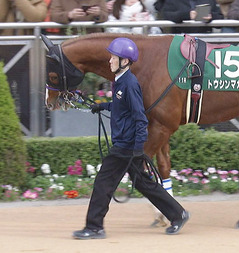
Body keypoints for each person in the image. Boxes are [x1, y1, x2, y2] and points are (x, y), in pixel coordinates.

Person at [72, 38, 190, 239]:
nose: (110, 61)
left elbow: (139, 116)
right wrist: (102, 106)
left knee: (103, 183)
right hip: (126, 145)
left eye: (113, 57)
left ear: (124, 61)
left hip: (125, 146)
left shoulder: (129, 83)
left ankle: (94, 227)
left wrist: (138, 148)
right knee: (144, 183)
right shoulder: (120, 82)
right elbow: (121, 107)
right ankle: (178, 214)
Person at [158, 0, 223, 34]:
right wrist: (187, 15)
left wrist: (211, 16)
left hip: (205, 40)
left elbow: (220, 19)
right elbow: (166, 15)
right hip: (180, 41)